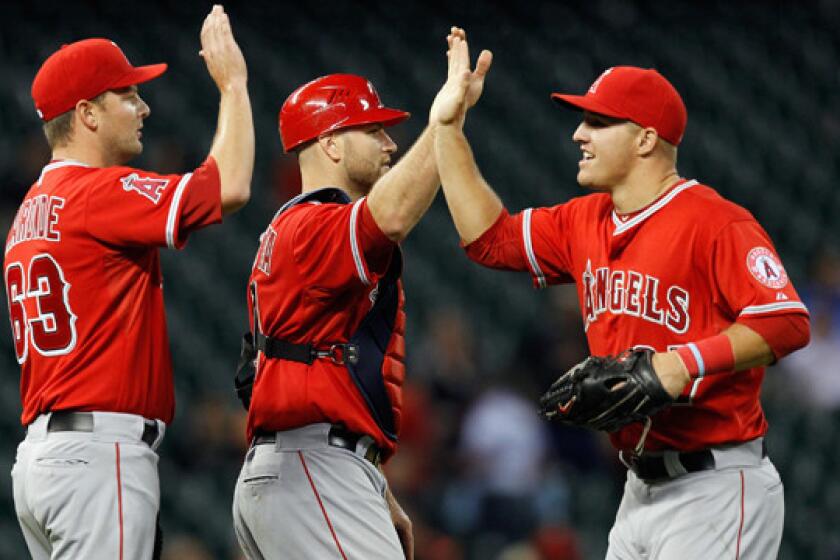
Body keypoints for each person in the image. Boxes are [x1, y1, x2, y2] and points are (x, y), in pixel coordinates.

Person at [432, 50, 811, 559]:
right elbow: (489, 240)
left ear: (646, 139)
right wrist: (448, 129)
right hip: (637, 487)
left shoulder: (716, 222)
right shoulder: (582, 220)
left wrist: (680, 364)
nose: (578, 135)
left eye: (597, 121)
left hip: (715, 486)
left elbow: (786, 321)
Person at [5, 6, 253, 559]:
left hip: (44, 463)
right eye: (128, 96)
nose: (144, 107)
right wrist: (233, 84)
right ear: (88, 113)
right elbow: (229, 185)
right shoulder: (94, 193)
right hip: (98, 455)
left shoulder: (29, 210)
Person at [231, 31, 490, 560]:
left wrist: (370, 479)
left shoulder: (291, 232)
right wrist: (445, 126)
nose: (390, 143)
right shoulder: (313, 225)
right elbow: (390, 217)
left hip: (305, 467)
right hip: (311, 471)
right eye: (373, 130)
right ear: (330, 143)